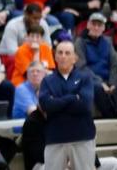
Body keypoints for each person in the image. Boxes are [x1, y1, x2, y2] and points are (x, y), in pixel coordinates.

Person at [39, 41, 95, 169]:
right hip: (55, 138)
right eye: (60, 53)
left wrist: (57, 101)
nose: (63, 56)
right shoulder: (47, 80)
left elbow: (85, 105)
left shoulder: (85, 78)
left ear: (75, 58)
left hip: (82, 137)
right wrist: (72, 97)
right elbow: (46, 105)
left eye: (67, 53)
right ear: (55, 56)